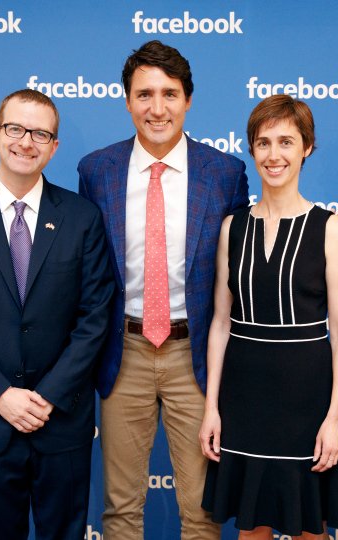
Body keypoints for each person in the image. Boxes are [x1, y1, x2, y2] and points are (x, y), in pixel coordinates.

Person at [78, 40, 249, 539]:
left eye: (170, 94)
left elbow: (244, 257)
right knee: (120, 507)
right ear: (127, 100)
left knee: (201, 508)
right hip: (122, 351)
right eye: (144, 94)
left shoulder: (225, 173)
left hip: (193, 356)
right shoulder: (96, 170)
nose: (158, 108)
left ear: (189, 100)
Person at [0, 89, 114, 540]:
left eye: (41, 133)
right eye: (16, 129)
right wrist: (0, 394)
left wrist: (47, 395)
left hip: (60, 418)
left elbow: (95, 316)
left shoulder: (82, 217)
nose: (26, 142)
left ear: (54, 146)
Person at [199, 95, 338, 538]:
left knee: (310, 527)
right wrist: (211, 408)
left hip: (306, 401)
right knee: (250, 527)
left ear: (306, 148)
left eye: (287, 142)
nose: (274, 155)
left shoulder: (331, 228)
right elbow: (220, 323)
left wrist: (335, 418)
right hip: (242, 398)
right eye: (264, 142)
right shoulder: (232, 227)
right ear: (252, 150)